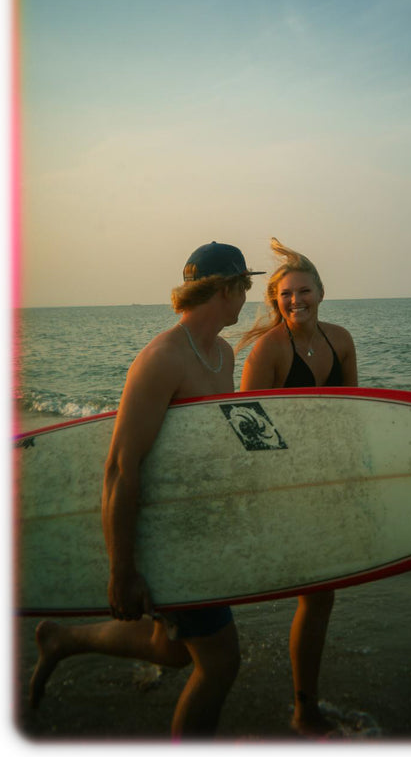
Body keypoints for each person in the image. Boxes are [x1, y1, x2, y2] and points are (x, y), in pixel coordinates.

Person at [29, 242, 264, 739]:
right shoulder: (162, 359)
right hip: (167, 534)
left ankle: (62, 640)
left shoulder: (222, 354)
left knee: (176, 651)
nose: (249, 296)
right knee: (220, 664)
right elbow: (119, 466)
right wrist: (122, 571)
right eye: (245, 286)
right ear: (225, 289)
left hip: (200, 525)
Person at [238, 237, 358, 738]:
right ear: (275, 301)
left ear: (321, 292)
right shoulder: (268, 350)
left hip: (324, 480)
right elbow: (245, 430)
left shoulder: (341, 340)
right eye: (285, 295)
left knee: (320, 595)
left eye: (303, 291)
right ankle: (303, 710)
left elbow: (353, 416)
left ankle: (304, 703)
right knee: (317, 595)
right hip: (283, 487)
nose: (295, 301)